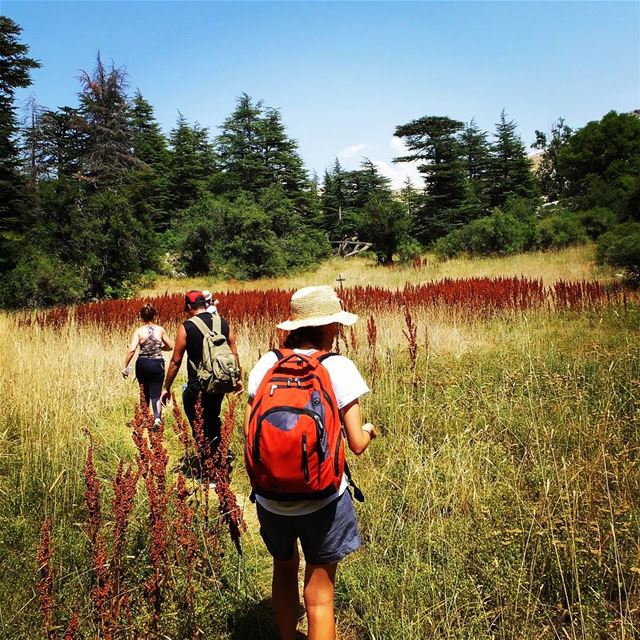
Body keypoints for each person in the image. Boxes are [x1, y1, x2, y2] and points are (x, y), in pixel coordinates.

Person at [244, 285, 378, 640]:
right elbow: (358, 444)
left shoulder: (266, 364)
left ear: (293, 326)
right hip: (324, 499)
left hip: (271, 498)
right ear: (330, 327)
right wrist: (369, 429)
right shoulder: (339, 367)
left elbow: (250, 430)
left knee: (283, 570)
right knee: (319, 598)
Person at [161, 290, 242, 460]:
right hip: (220, 382)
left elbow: (175, 361)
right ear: (205, 304)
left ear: (189, 307)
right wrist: (238, 379)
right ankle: (219, 456)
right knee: (213, 417)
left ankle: (209, 463)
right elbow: (234, 354)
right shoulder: (224, 323)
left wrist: (166, 388)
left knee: (197, 420)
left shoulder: (186, 327)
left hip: (197, 384)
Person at [122, 303, 174, 425]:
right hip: (157, 363)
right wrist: (159, 348)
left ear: (141, 316)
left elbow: (132, 349)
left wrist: (125, 366)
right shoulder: (160, 330)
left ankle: (145, 418)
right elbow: (170, 346)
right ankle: (157, 418)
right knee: (156, 392)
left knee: (143, 391)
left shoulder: (139, 331)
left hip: (143, 363)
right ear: (154, 315)